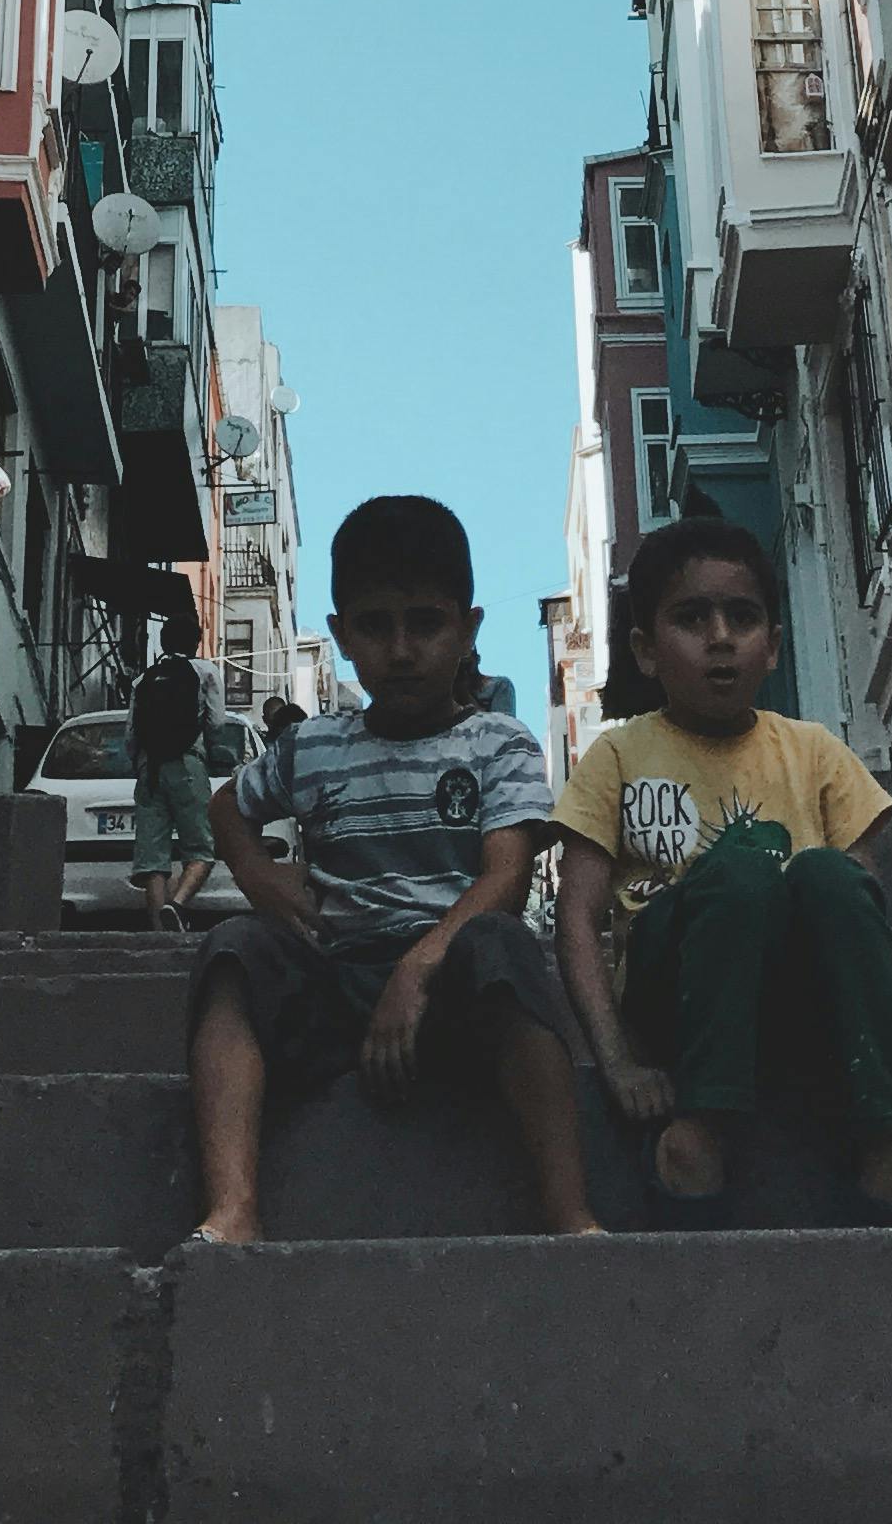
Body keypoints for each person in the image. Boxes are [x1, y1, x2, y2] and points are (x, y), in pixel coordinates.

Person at [191, 493, 597, 1245]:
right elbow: (227, 807)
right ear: (342, 636)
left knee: (505, 948)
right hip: (338, 978)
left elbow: (505, 877)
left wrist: (417, 971)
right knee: (233, 952)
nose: (402, 650)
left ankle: (568, 1211)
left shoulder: (498, 745)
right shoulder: (312, 747)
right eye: (376, 627)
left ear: (468, 628)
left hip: (453, 986)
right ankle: (235, 1206)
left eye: (427, 623)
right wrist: (258, 874)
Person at [553, 517, 892, 1228]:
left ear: (773, 646)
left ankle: (883, 1128)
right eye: (691, 618)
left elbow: (861, 905)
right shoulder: (619, 757)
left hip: (791, 998)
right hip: (674, 1001)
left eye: (742, 618)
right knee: (740, 876)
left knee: (834, 879)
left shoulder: (812, 751)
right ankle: (706, 1125)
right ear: (646, 651)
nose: (721, 637)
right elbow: (575, 917)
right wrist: (619, 1060)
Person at [128, 632, 226, 928]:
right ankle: (178, 903)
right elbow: (217, 722)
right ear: (195, 643)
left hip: (150, 769)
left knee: (153, 860)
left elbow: (130, 735)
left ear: (163, 643)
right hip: (187, 764)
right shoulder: (206, 671)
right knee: (201, 849)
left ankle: (161, 936)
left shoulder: (142, 680)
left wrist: (141, 765)